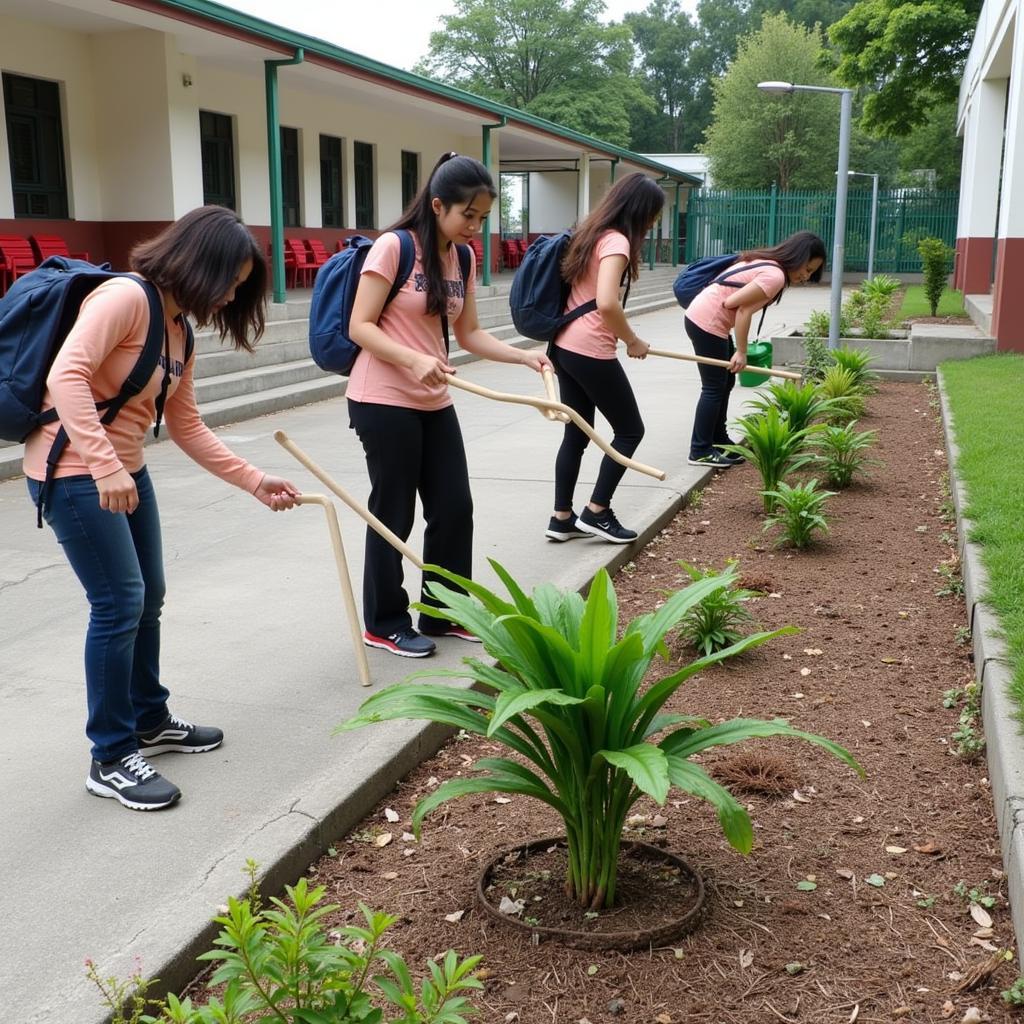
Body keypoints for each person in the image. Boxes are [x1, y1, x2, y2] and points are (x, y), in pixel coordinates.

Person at [24, 206, 300, 812]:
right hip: (73, 472)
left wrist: (255, 481)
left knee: (149, 597)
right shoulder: (125, 297)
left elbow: (188, 424)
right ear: (202, 265)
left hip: (125, 474)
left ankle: (149, 719)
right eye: (231, 280)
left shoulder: (181, 331)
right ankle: (110, 755)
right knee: (119, 602)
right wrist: (104, 464)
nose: (231, 295)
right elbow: (65, 378)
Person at [348, 152, 550, 659]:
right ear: (438, 206)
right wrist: (413, 361)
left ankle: (443, 612)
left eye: (483, 218)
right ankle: (384, 621)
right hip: (382, 397)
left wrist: (522, 357)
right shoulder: (393, 249)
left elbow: (470, 333)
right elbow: (360, 326)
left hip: (434, 398)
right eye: (468, 216)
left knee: (454, 507)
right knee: (392, 512)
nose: (475, 228)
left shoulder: (462, 258)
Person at [545, 172, 664, 545]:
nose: (654, 223)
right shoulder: (616, 242)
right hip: (590, 349)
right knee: (630, 430)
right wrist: (632, 340)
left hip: (563, 345)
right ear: (640, 211)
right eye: (654, 215)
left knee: (576, 432)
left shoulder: (591, 233)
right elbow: (607, 302)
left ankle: (561, 517)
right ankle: (597, 511)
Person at [684, 230, 826, 467]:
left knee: (724, 383)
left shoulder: (767, 263)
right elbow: (739, 307)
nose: (805, 276)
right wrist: (741, 351)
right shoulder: (775, 276)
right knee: (714, 386)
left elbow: (735, 303)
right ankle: (699, 450)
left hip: (706, 319)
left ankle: (719, 442)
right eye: (808, 269)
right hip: (707, 322)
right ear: (798, 256)